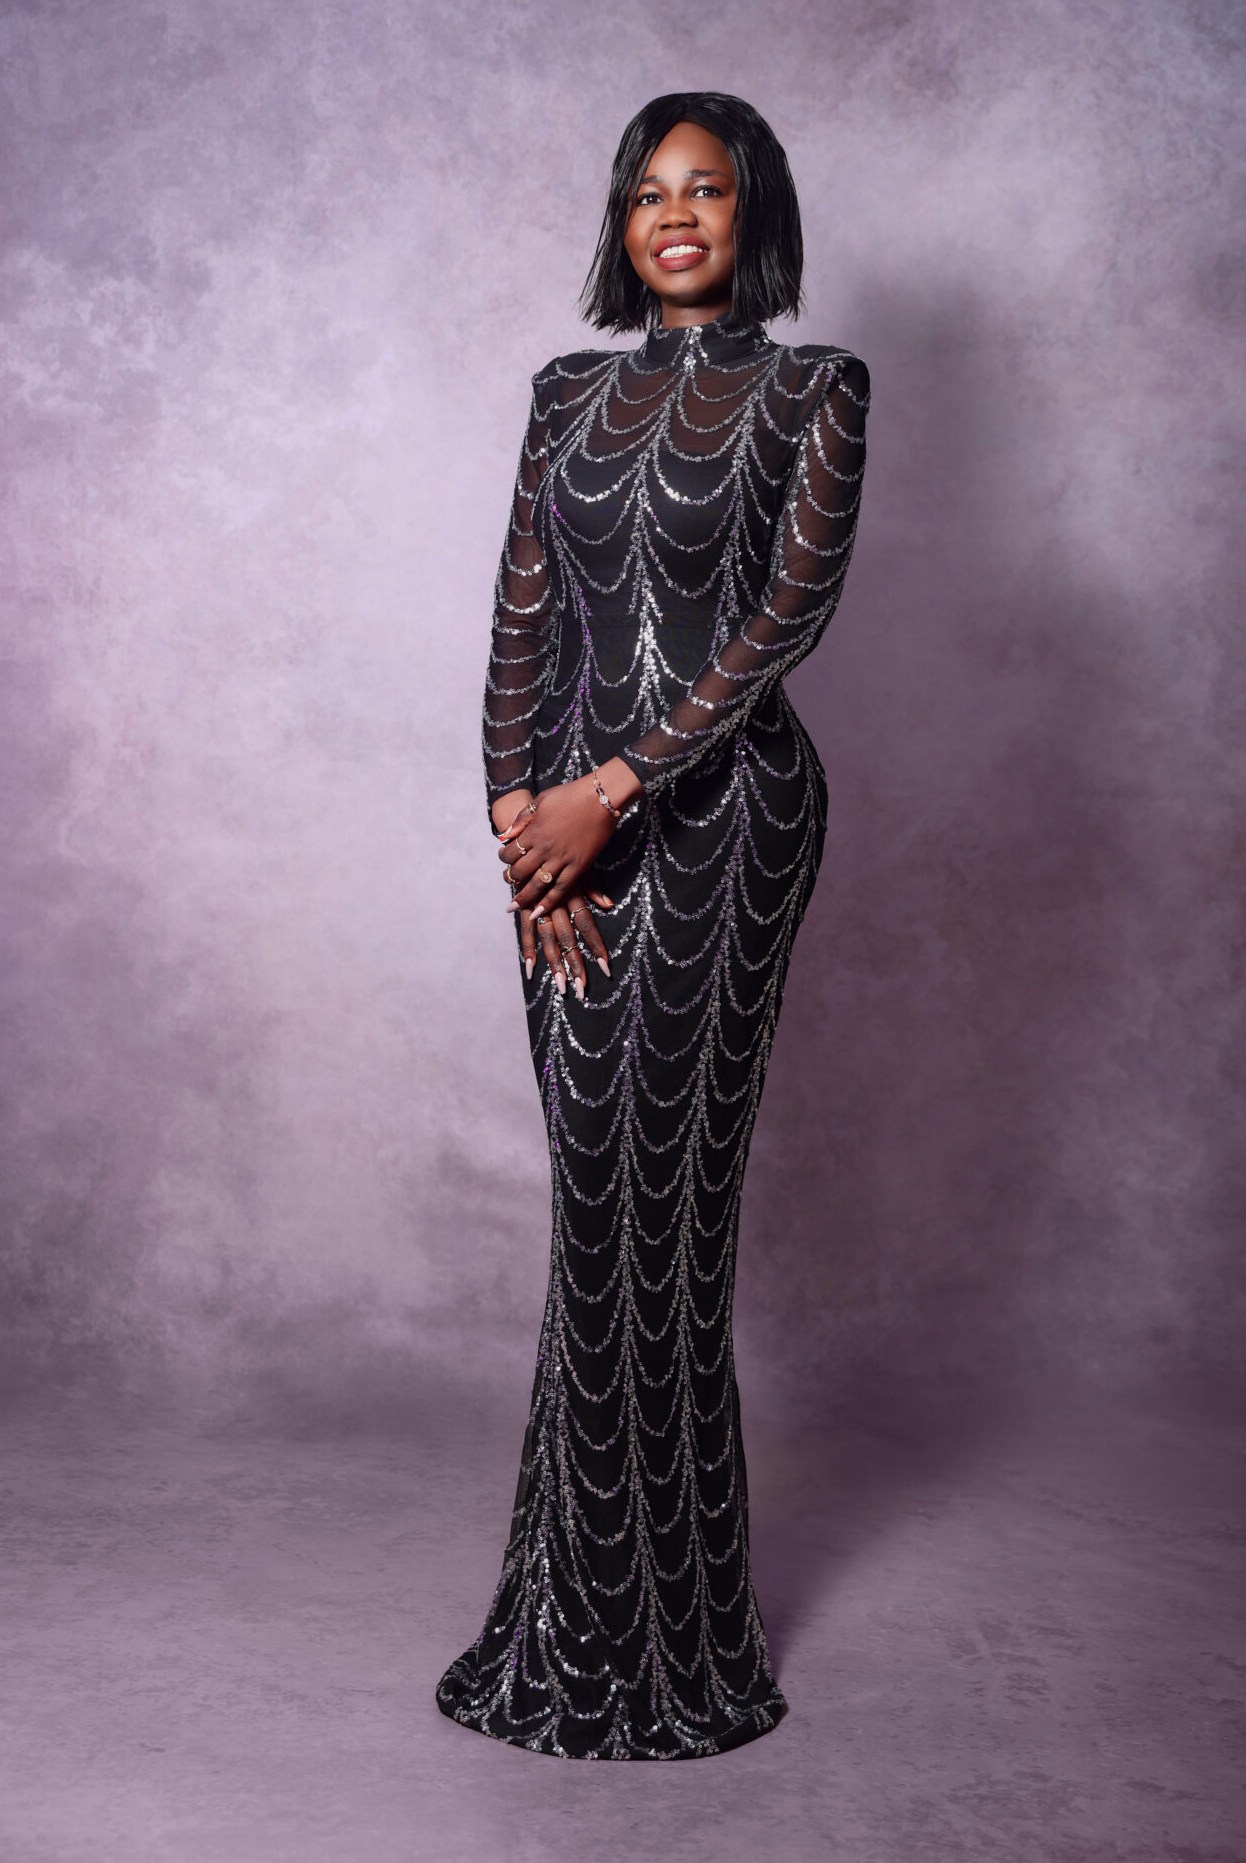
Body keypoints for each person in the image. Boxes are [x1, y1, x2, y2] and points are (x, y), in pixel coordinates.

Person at [435, 91, 870, 1760]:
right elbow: (522, 597)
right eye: (645, 193)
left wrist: (602, 795)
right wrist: (512, 825)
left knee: (665, 1216)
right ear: (621, 229)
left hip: (725, 822)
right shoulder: (567, 394)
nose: (674, 214)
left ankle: (674, 1644)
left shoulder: (818, 390)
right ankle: (566, 1610)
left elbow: (782, 625)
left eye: (707, 188)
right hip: (559, 831)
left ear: (754, 214)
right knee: (594, 1203)